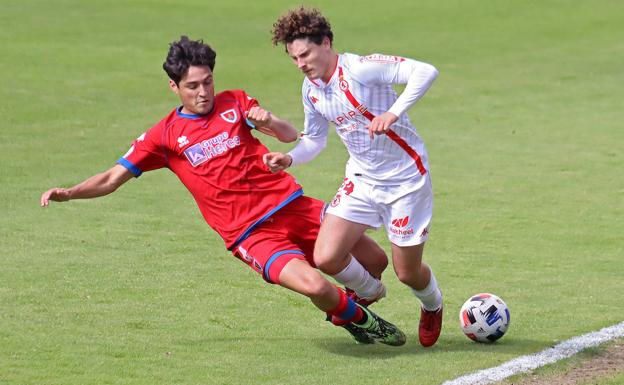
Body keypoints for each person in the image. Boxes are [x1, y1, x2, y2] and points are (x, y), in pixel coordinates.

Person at [40, 36, 404, 346]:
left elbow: (291, 136)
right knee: (316, 287)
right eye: (193, 86)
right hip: (251, 233)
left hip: (293, 205)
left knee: (376, 261)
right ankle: (362, 320)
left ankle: (344, 311)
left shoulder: (235, 102)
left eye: (208, 82)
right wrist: (71, 193)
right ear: (174, 87)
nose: (203, 92)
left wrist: (269, 120)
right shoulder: (163, 136)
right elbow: (110, 178)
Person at [268, 8, 444, 347]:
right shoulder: (312, 90)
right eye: (293, 58)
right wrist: (289, 157)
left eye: (305, 54)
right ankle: (368, 290)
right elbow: (315, 139)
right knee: (326, 257)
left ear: (327, 43)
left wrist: (392, 113)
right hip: (362, 179)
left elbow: (425, 71)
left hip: (406, 180)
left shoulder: (361, 67)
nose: (301, 63)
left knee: (408, 272)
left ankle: (432, 304)